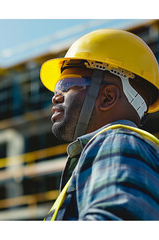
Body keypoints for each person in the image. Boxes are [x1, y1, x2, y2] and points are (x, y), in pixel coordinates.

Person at [40, 28, 159, 220]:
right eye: (56, 88)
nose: (55, 97)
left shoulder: (117, 142)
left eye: (66, 85)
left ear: (107, 98)